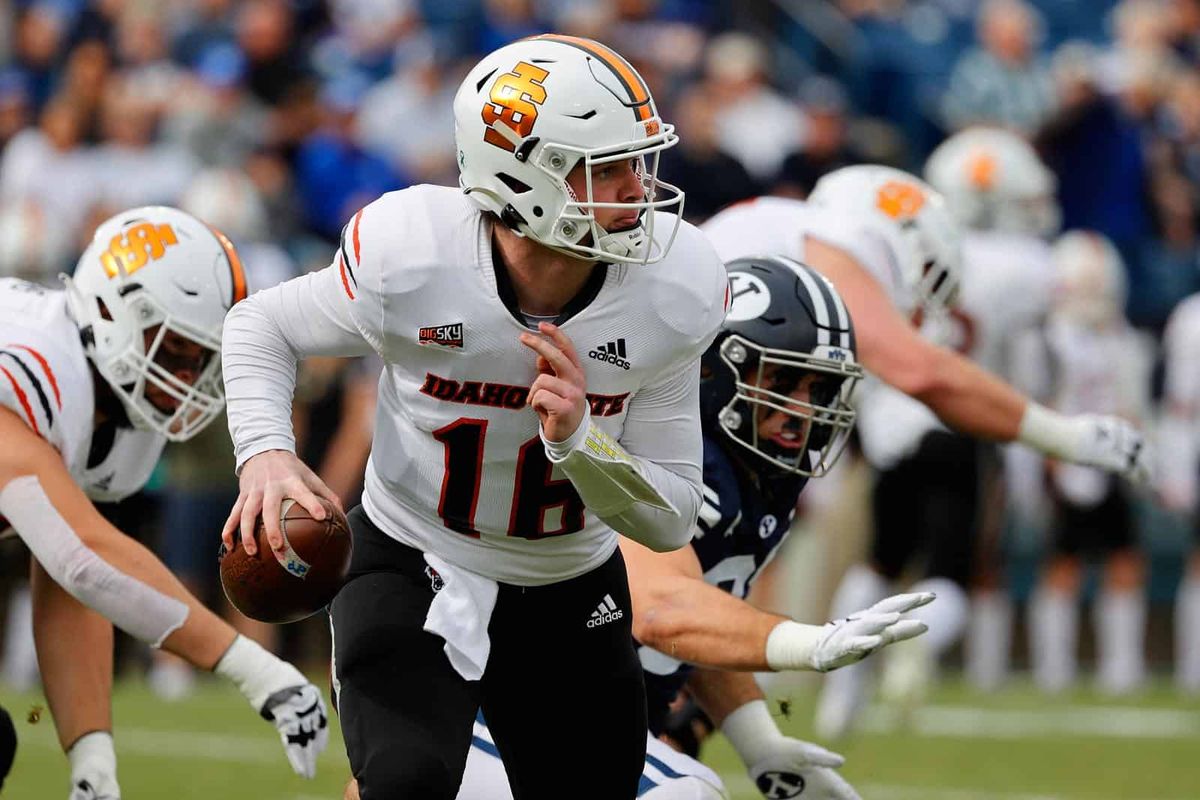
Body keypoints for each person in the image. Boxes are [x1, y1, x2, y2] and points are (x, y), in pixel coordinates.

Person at [220, 35, 729, 800]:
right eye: (609, 167)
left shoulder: (672, 288)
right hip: (413, 559)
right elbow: (261, 325)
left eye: (638, 161)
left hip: (570, 587)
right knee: (406, 781)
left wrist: (581, 445)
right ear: (526, 177)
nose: (637, 188)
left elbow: (669, 519)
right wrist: (265, 451)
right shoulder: (412, 257)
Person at [453, 255, 935, 800]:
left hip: (550, 720)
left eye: (818, 388)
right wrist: (812, 643)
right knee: (684, 793)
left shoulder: (755, 476)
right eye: (781, 380)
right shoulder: (672, 455)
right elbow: (663, 609)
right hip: (495, 711)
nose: (800, 410)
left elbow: (699, 619)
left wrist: (758, 741)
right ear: (710, 370)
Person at [699, 164, 1150, 739]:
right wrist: (1065, 435)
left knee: (865, 561)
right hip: (950, 432)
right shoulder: (841, 238)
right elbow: (917, 366)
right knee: (947, 568)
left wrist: (761, 747)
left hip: (886, 436)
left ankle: (816, 683)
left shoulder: (778, 234)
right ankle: (888, 649)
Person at [0, 206, 330, 799]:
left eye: (201, 360)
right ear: (111, 312)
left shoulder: (103, 413)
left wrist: (92, 756)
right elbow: (82, 558)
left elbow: (73, 582)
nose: (189, 375)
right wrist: (256, 670)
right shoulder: (34, 362)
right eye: (176, 349)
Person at [1028, 231, 1152, 695]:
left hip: (1111, 457)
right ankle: (1053, 667)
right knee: (1063, 561)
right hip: (1066, 455)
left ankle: (1121, 667)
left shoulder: (1123, 338)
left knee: (1123, 559)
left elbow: (1133, 401)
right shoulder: (1049, 337)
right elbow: (1038, 398)